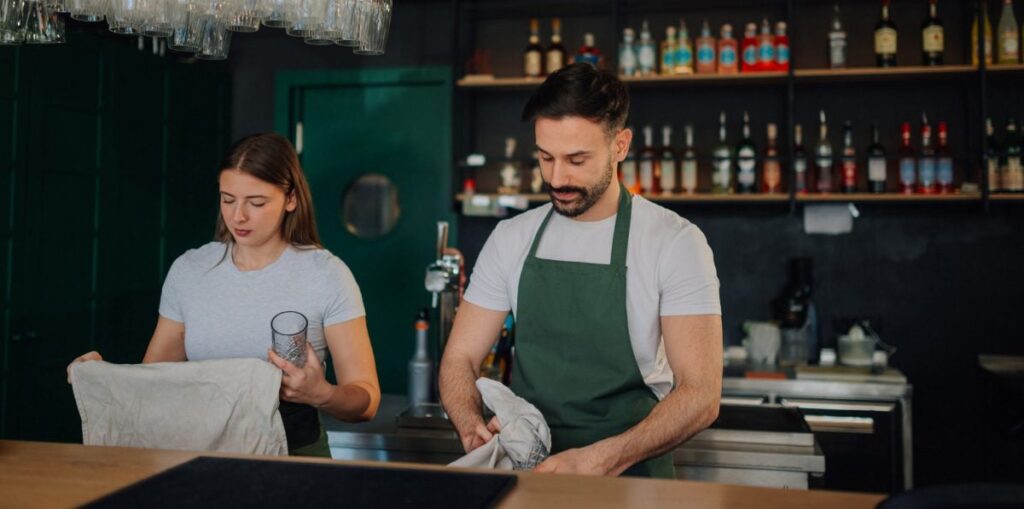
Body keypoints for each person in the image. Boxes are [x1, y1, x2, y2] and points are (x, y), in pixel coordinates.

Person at [439, 63, 723, 478]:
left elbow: (701, 395)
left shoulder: (674, 242)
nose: (557, 177)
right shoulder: (511, 238)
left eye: (577, 159)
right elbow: (459, 357)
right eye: (545, 157)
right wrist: (471, 425)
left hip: (634, 480)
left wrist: (602, 459)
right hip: (531, 473)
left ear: (620, 145)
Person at [68, 133, 380, 457]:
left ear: (291, 199)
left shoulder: (327, 275)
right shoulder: (190, 271)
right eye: (227, 199)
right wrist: (106, 378)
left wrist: (321, 393)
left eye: (256, 203)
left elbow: (366, 401)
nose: (237, 216)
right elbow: (154, 382)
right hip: (200, 457)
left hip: (295, 458)